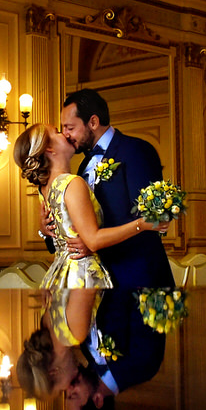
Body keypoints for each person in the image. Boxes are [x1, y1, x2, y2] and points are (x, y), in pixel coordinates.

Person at [13, 122, 164, 289]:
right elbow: (93, 240)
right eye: (57, 132)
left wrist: (43, 231)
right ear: (49, 149)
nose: (66, 134)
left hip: (60, 274)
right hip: (82, 275)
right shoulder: (72, 183)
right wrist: (141, 225)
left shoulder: (44, 189)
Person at [58, 88, 176, 289]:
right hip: (102, 281)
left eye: (69, 127)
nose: (65, 135)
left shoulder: (137, 151)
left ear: (93, 122)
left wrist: (94, 243)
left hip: (139, 278)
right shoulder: (83, 166)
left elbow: (151, 220)